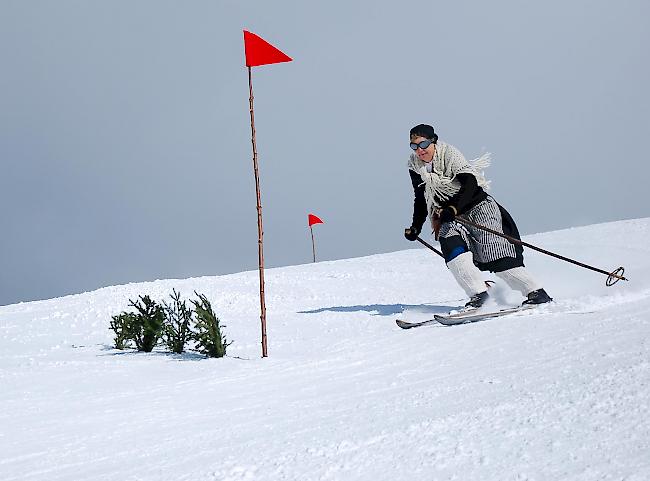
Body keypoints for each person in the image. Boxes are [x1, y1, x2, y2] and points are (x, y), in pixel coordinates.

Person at [404, 123, 552, 309]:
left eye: (423, 144)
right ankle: (479, 295)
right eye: (414, 146)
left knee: (495, 254)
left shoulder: (450, 154)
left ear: (434, 141)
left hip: (477, 207)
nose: (420, 150)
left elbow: (470, 184)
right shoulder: (415, 166)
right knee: (451, 249)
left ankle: (536, 292)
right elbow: (421, 198)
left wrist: (454, 208)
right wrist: (416, 226)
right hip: (449, 215)